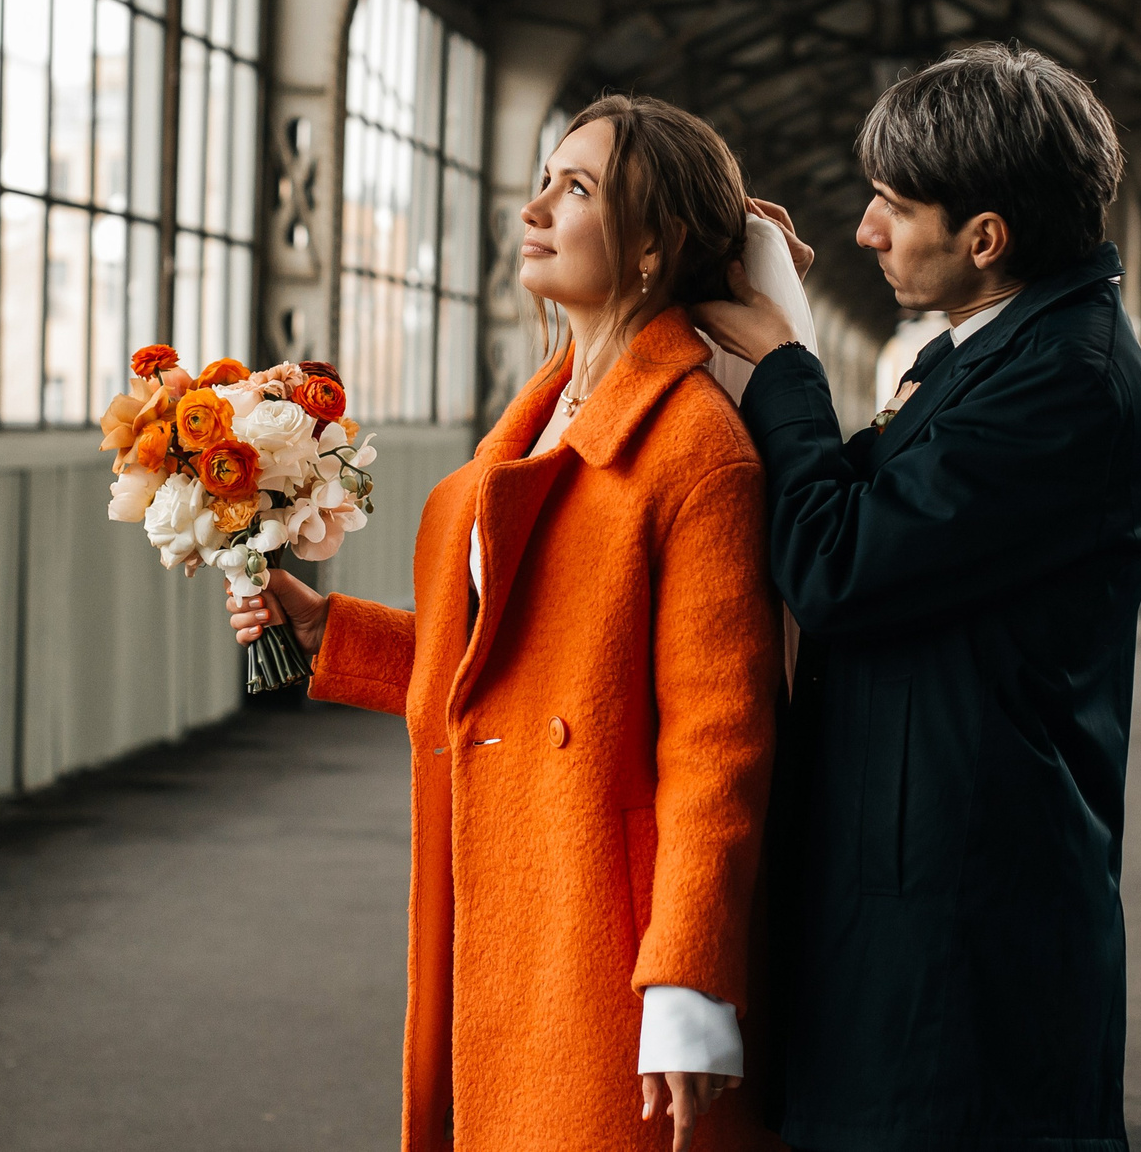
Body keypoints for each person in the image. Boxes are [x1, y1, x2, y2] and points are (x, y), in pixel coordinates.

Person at [236, 96, 785, 1152]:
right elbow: (516, 676)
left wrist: (689, 981)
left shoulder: (696, 451)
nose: (533, 209)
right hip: (515, 894)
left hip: (602, 935)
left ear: (650, 248)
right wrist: (326, 633)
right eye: (543, 178)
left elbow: (721, 744)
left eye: (576, 190)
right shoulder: (541, 412)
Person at [692, 43, 1141, 1152]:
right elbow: (871, 492)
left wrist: (786, 375)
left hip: (966, 908)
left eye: (894, 207)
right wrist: (786, 314)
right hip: (922, 868)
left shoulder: (1060, 384)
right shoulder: (993, 350)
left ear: (986, 238)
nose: (865, 230)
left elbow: (837, 565)